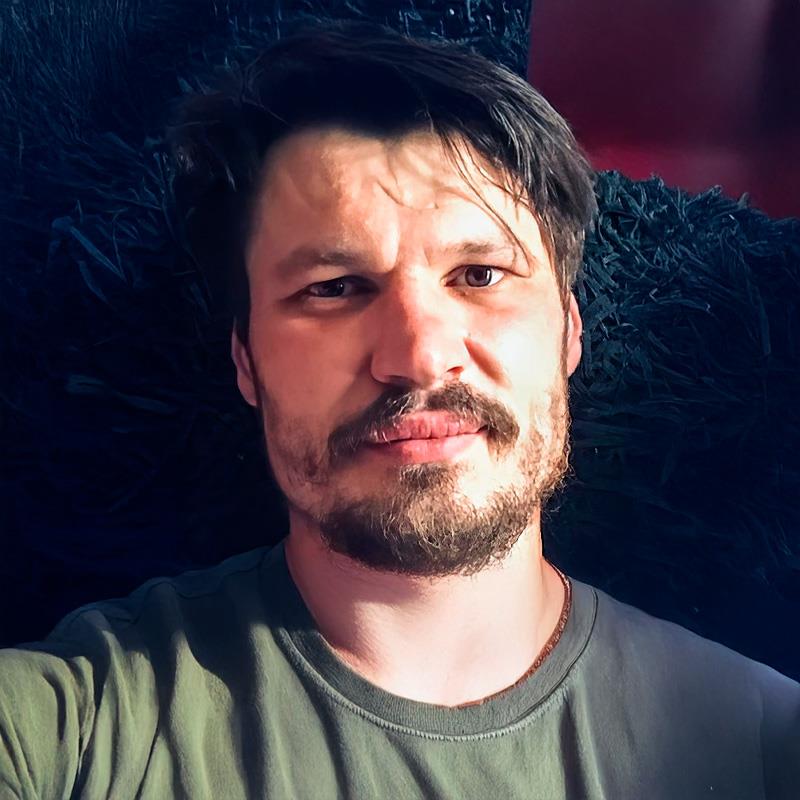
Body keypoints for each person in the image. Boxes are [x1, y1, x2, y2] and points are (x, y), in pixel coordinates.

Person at [1, 21, 797, 800]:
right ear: (246, 361)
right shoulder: (77, 728)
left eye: (480, 275)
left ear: (568, 331)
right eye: (335, 288)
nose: (418, 356)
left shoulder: (765, 743)